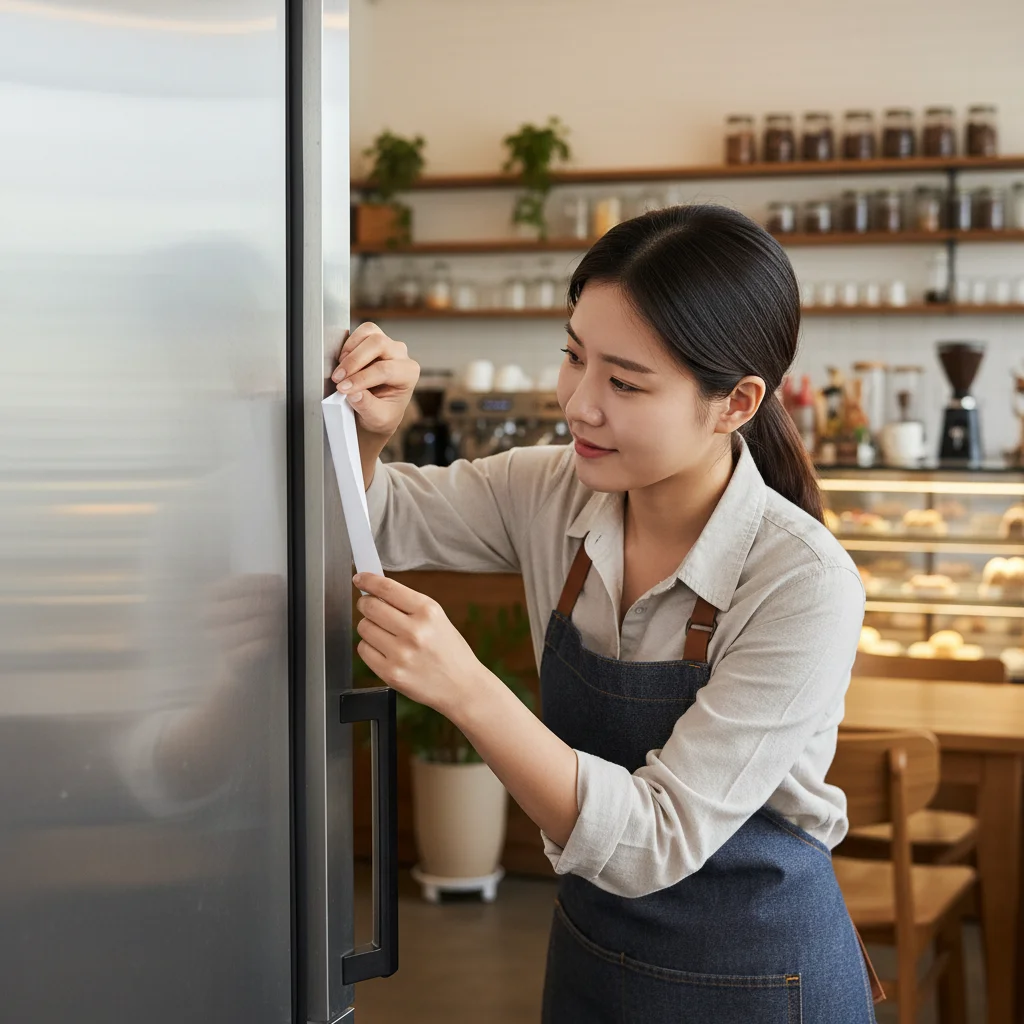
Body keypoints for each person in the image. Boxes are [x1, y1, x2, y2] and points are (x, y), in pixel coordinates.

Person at [334, 204, 879, 1022]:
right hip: (591, 960)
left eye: (624, 382)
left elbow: (656, 838)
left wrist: (466, 690)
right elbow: (377, 515)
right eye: (573, 356)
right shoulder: (549, 489)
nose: (579, 404)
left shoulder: (801, 582)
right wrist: (368, 436)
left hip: (762, 981)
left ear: (734, 404)